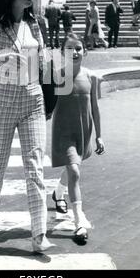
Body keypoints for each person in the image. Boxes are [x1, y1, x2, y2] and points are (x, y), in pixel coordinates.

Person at [0, 0, 55, 253]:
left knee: (35, 165)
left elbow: (43, 59)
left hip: (32, 99)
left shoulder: (35, 23)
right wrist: (4, 57)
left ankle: (39, 233)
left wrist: (50, 73)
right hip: (1, 103)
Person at [51, 33, 105, 242]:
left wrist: (99, 136)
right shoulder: (56, 76)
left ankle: (58, 193)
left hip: (83, 130)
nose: (74, 52)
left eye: (79, 48)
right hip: (63, 131)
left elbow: (96, 108)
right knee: (74, 170)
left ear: (85, 51)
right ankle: (79, 221)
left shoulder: (91, 76)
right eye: (69, 48)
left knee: (73, 169)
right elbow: (45, 102)